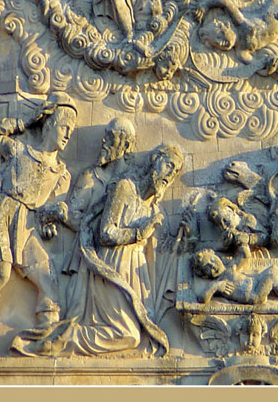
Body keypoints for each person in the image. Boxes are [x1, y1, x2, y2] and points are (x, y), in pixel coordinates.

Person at [0, 92, 78, 355]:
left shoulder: (62, 173)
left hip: (27, 224)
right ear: (49, 124)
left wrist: (51, 219)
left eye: (72, 129)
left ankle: (45, 337)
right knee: (0, 275)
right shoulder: (20, 150)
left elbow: (46, 211)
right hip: (2, 214)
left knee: (48, 280)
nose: (68, 134)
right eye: (64, 127)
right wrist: (26, 122)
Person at [55, 144, 184, 355]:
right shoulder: (125, 188)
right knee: (129, 335)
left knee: (142, 336)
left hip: (136, 273)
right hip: (111, 268)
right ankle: (65, 339)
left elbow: (164, 250)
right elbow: (105, 233)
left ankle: (67, 338)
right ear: (154, 160)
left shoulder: (153, 207)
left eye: (175, 171)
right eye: (168, 165)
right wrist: (138, 233)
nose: (170, 175)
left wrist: (185, 236)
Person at [61, 117, 136, 275]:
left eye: (111, 136)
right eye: (105, 135)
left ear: (126, 145)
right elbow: (72, 214)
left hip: (122, 263)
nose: (103, 140)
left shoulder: (133, 183)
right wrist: (99, 227)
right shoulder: (90, 176)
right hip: (88, 261)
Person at [191, 248, 278, 305]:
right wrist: (216, 286)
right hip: (254, 295)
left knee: (273, 269)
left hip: (256, 283)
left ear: (216, 256)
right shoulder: (220, 282)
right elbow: (202, 298)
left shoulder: (230, 268)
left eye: (212, 260)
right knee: (271, 278)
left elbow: (245, 256)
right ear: (205, 275)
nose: (213, 265)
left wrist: (242, 243)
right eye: (207, 267)